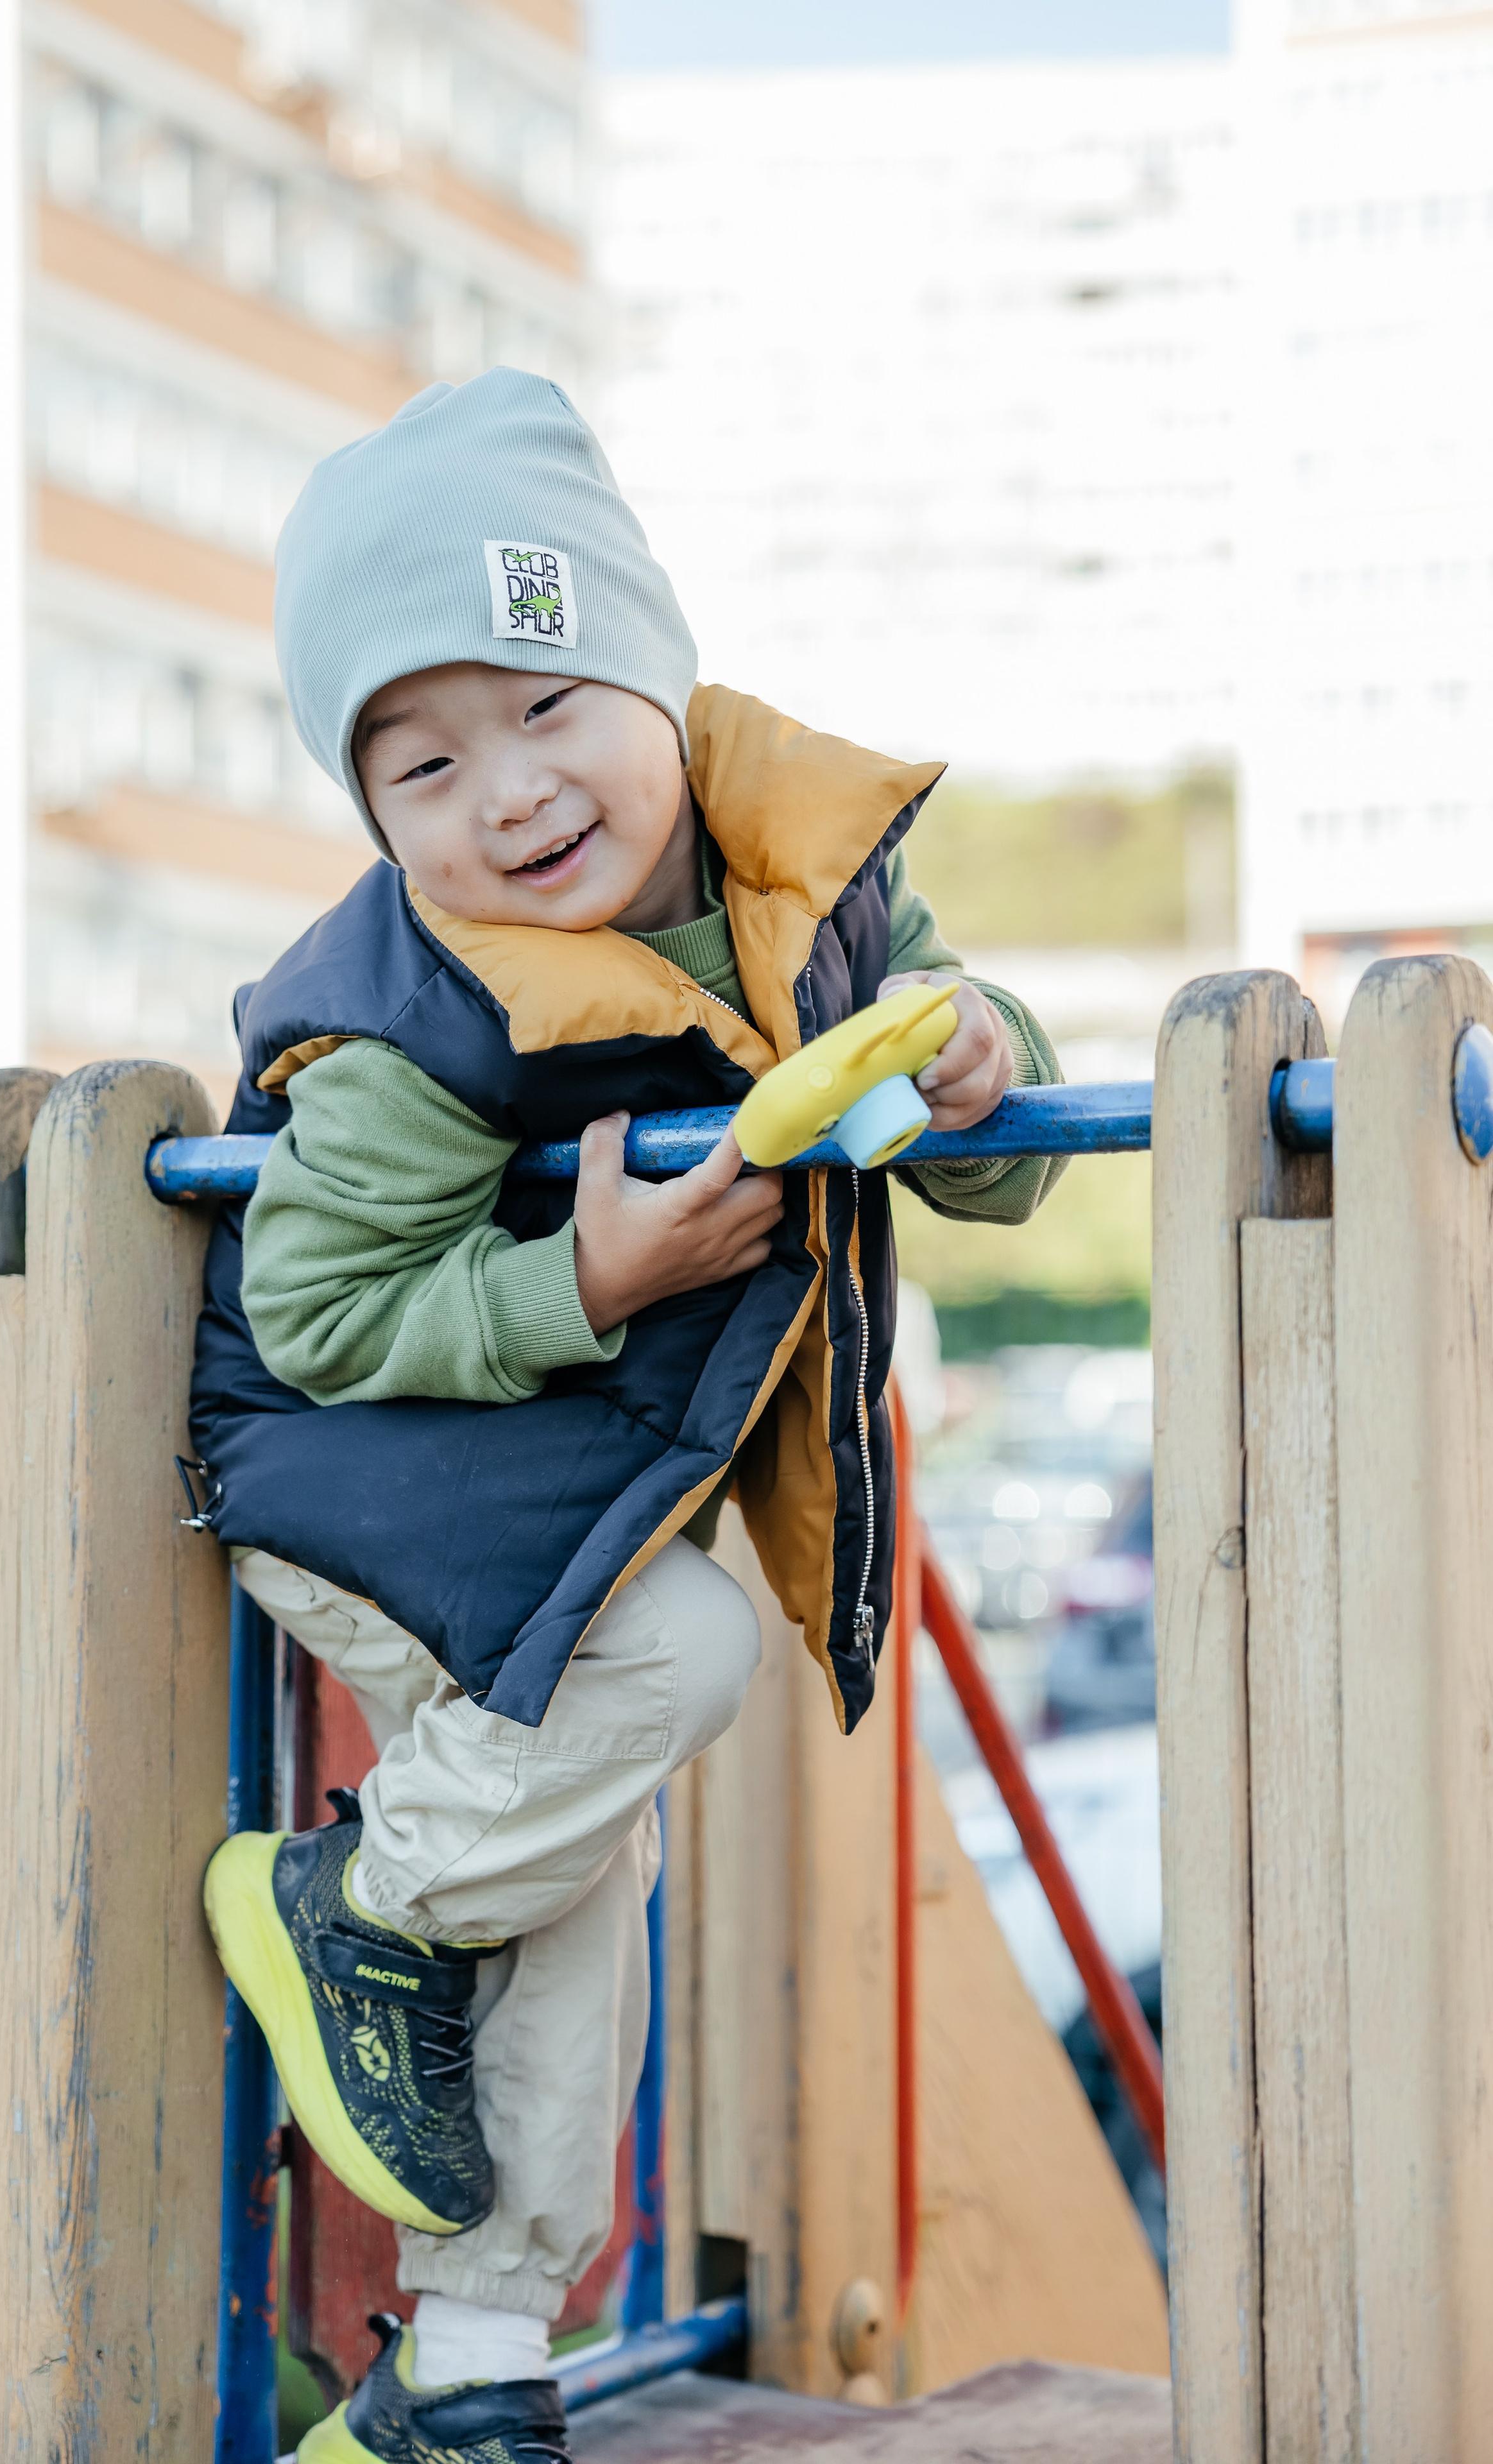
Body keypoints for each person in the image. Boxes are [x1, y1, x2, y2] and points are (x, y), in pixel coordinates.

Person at [190, 367, 1064, 2463]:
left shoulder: (807, 886)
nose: (506, 796)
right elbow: (313, 1308)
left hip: (551, 1477)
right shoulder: (419, 1019)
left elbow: (988, 1131)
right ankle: (357, 1909)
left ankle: (467, 2374)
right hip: (351, 1465)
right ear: (379, 820)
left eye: (548, 705)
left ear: (653, 679)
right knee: (667, 1656)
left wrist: (983, 1066)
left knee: (582, 1891)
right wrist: (588, 1280)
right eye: (422, 766)